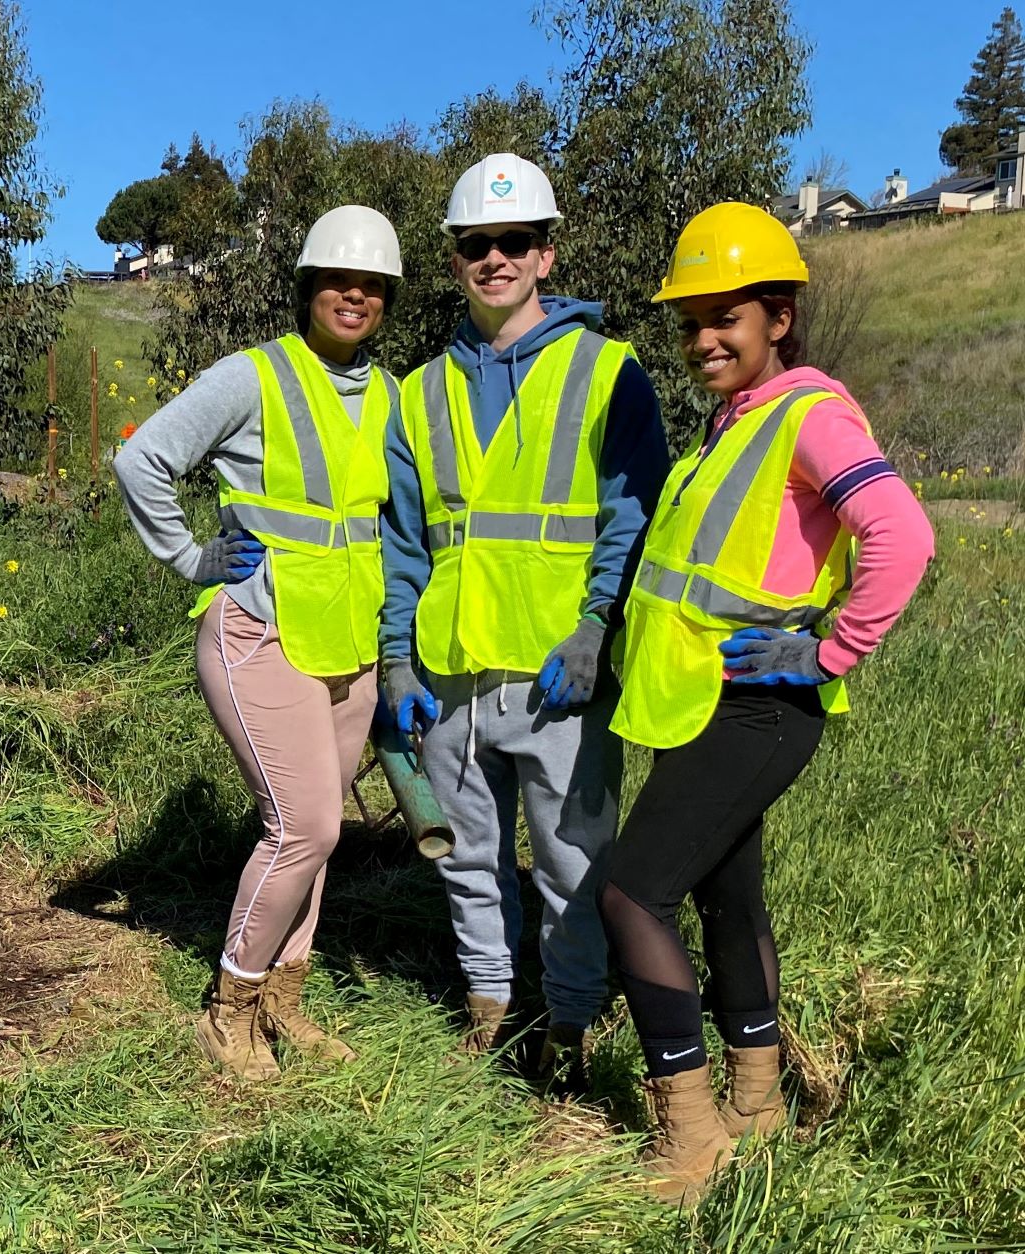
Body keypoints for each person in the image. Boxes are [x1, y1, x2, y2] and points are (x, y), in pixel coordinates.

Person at [601, 202, 934, 1204]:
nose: (704, 336)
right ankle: (755, 1105)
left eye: (726, 315)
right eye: (689, 318)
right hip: (704, 700)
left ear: (778, 317)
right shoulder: (734, 421)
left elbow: (901, 535)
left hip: (759, 705)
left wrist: (830, 650)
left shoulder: (808, 415)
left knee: (630, 892)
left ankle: (690, 1133)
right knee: (725, 893)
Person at [378, 154, 669, 1088]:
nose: (494, 259)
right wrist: (395, 663)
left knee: (572, 869)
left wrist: (597, 629)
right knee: (468, 864)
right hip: (452, 678)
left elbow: (635, 514)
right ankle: (492, 1009)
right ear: (456, 260)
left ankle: (572, 1028)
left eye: (514, 243)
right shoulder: (419, 393)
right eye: (476, 246)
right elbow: (402, 543)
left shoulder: (607, 371)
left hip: (559, 682)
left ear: (547, 255)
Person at [113, 206, 404, 1080]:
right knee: (305, 825)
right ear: (309, 288)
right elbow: (143, 460)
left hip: (349, 644)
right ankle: (228, 1007)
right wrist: (190, 555)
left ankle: (285, 1002)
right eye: (337, 280)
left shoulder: (389, 393)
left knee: (319, 833)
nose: (354, 296)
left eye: (372, 286)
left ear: (386, 299)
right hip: (260, 629)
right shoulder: (253, 377)